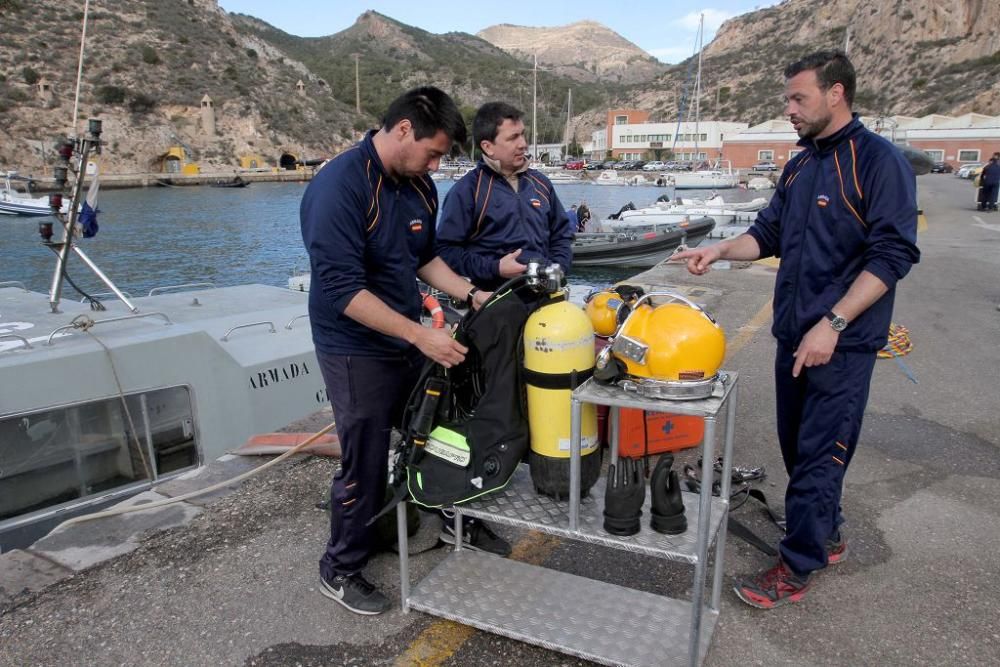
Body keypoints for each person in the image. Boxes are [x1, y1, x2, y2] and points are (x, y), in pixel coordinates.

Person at [673, 50, 920, 609]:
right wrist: (719, 250)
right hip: (793, 335)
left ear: (836, 94)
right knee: (796, 447)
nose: (788, 108)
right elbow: (767, 235)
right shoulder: (802, 164)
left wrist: (834, 323)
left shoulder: (878, 162)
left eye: (798, 97)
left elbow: (893, 255)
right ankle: (823, 532)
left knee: (818, 455)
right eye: (787, 98)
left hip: (842, 342)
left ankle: (798, 563)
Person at [300, 86, 510, 617]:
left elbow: (424, 257)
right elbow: (342, 290)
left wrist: (473, 294)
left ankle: (451, 514)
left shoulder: (419, 186)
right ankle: (341, 566)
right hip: (353, 345)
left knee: (443, 428)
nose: (436, 165)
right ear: (401, 131)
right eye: (433, 152)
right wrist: (420, 335)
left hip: (403, 335)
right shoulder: (338, 187)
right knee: (365, 458)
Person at [436, 102, 574, 290]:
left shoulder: (541, 184)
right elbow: (446, 251)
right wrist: (495, 268)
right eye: (513, 138)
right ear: (488, 147)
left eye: (523, 134)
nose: (523, 144)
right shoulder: (467, 190)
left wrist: (558, 268)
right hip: (491, 301)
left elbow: (562, 235)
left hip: (544, 297)